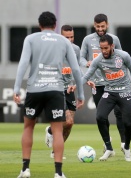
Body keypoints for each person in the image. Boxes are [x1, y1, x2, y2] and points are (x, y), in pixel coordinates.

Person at [13, 11, 84, 178]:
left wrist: (17, 89)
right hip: (55, 90)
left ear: (39, 25)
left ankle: (25, 170)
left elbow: (23, 63)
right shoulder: (63, 41)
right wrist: (80, 93)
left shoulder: (30, 39)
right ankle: (58, 173)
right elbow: (75, 69)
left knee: (28, 127)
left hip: (34, 89)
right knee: (57, 131)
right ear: (55, 25)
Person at [82, 34, 131, 162]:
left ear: (112, 46)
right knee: (100, 117)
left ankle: (127, 147)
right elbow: (87, 76)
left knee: (128, 124)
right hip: (109, 92)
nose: (104, 51)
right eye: (101, 48)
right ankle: (108, 147)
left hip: (124, 92)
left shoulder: (123, 56)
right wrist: (76, 86)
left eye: (106, 48)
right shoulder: (98, 59)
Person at [80, 14, 126, 151]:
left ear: (107, 25)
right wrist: (87, 62)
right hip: (97, 83)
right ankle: (108, 143)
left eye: (102, 26)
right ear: (94, 25)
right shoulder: (87, 40)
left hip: (114, 82)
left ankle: (124, 143)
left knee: (119, 112)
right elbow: (80, 58)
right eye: (98, 26)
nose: (100, 29)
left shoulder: (114, 39)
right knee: (102, 115)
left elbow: (122, 58)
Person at [45, 25, 82, 160]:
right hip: (56, 89)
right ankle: (51, 132)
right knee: (68, 120)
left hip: (69, 89)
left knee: (70, 124)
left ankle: (55, 149)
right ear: (60, 36)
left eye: (72, 37)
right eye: (67, 37)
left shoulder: (76, 50)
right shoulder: (53, 49)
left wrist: (81, 82)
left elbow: (76, 69)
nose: (70, 40)